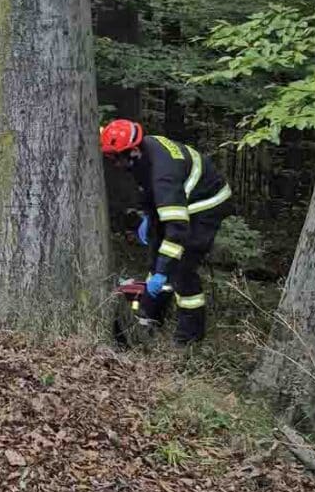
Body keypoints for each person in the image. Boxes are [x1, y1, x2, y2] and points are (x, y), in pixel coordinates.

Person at [99, 119, 232, 344]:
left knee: (181, 267)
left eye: (115, 157)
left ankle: (189, 338)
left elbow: (177, 230)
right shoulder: (143, 152)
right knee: (158, 256)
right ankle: (150, 317)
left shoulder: (164, 175)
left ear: (132, 152)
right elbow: (149, 191)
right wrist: (148, 219)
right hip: (180, 198)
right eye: (109, 157)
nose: (113, 163)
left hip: (206, 204)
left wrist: (162, 271)